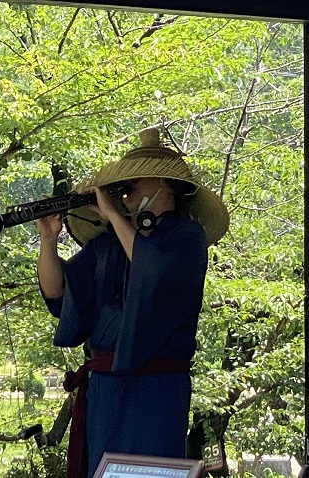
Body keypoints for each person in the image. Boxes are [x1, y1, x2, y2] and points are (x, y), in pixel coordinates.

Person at [36, 126, 230, 478]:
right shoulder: (107, 246)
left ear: (164, 184)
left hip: (156, 389)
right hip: (106, 390)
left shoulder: (186, 238)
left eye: (132, 185)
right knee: (101, 470)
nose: (124, 196)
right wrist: (48, 241)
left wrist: (111, 214)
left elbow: (153, 272)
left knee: (148, 471)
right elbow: (57, 292)